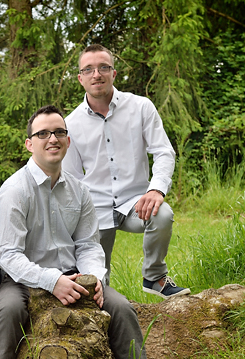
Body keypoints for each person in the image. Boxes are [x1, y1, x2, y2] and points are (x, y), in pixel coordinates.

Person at [0, 106, 195, 359]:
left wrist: (94, 279)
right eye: (43, 133)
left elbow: (89, 244)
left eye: (59, 132)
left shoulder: (79, 190)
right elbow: (9, 256)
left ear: (68, 140)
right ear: (29, 144)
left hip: (75, 277)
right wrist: (51, 281)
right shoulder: (15, 189)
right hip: (23, 279)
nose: (52, 139)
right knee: (7, 311)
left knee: (122, 308)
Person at [63, 44, 190, 299]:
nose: (96, 74)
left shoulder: (141, 107)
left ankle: (154, 277)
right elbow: (72, 179)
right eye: (88, 69)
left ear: (114, 73)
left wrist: (156, 189)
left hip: (136, 202)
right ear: (80, 78)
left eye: (103, 67)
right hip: (94, 208)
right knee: (96, 286)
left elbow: (164, 151)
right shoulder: (70, 124)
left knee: (162, 214)